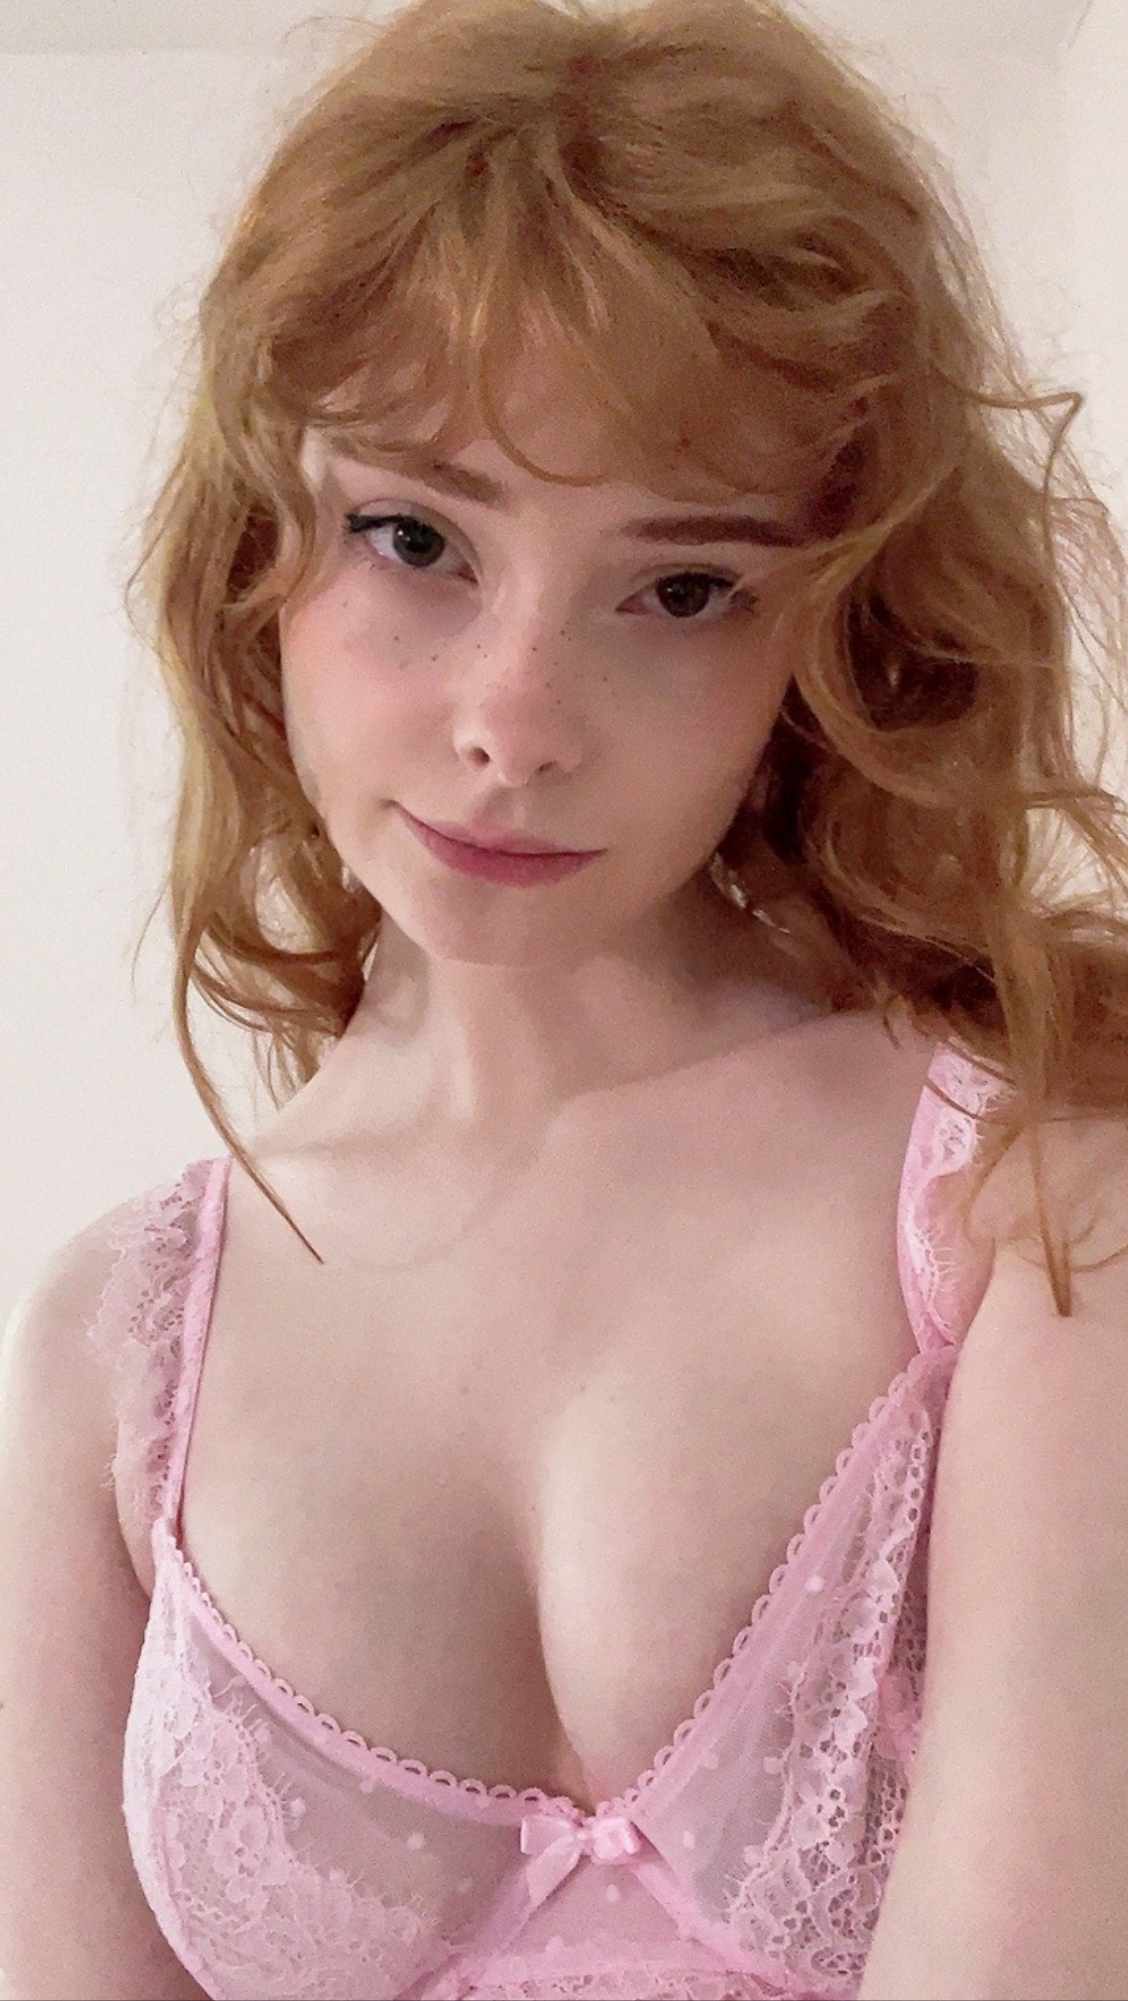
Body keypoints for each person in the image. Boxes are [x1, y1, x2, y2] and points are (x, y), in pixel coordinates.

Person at [3, 0, 1128, 1995]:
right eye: (415, 538)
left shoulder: (1038, 1202)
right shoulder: (116, 1350)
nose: (516, 722)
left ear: (828, 629)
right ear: (258, 546)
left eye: (682, 588)